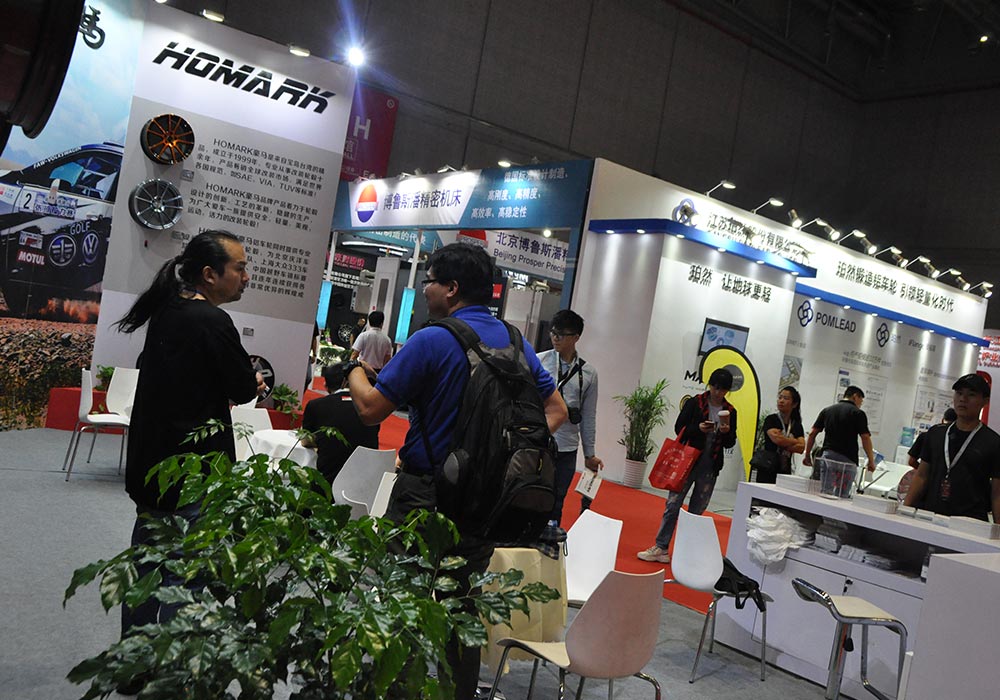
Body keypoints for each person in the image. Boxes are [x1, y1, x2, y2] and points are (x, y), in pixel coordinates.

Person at [345, 243, 567, 699]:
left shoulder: (432, 339)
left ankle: (396, 692)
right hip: (484, 503)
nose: (424, 289)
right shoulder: (515, 342)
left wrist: (353, 371)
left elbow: (369, 410)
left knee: (403, 602)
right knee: (461, 610)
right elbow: (557, 410)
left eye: (428, 281)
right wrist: (496, 456)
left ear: (451, 288)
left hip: (424, 496)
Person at [114, 230, 265, 691]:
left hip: (153, 469)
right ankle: (178, 677)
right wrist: (253, 382)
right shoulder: (212, 321)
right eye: (239, 268)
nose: (246, 276)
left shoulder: (168, 311)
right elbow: (242, 388)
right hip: (196, 473)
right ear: (210, 274)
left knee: (145, 568)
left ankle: (133, 668)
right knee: (190, 579)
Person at [638, 368, 737, 564]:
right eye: (715, 387)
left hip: (710, 466)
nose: (718, 392)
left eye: (722, 389)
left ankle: (686, 553)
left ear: (727, 390)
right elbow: (679, 428)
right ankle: (661, 547)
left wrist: (726, 432)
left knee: (697, 512)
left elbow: (730, 442)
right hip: (687, 462)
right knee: (672, 505)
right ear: (710, 385)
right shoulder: (695, 402)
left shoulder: (730, 411)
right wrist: (698, 429)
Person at [536, 309, 603, 524]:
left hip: (567, 447)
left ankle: (550, 537)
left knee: (557, 500)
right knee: (532, 495)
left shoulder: (589, 374)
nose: (555, 338)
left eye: (561, 334)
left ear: (576, 337)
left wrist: (589, 454)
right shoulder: (539, 362)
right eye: (553, 333)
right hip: (538, 441)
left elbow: (588, 416)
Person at [904, 374, 1000, 521]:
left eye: (971, 395)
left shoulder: (993, 442)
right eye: (959, 393)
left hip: (969, 522)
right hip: (930, 516)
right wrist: (905, 510)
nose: (963, 399)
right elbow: (921, 476)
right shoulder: (936, 433)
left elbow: (997, 493)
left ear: (985, 401)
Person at [300, 362, 380, 487]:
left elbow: (305, 441)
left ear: (326, 385)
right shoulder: (371, 409)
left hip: (326, 485)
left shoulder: (316, 405)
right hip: (366, 486)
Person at [803, 386, 876, 476]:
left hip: (828, 457)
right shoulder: (858, 413)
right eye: (861, 401)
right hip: (848, 459)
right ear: (855, 396)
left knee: (826, 485)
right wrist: (871, 460)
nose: (860, 404)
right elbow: (865, 438)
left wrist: (807, 455)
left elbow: (812, 434)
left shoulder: (827, 411)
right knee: (843, 485)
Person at [755, 386, 805, 483]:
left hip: (784, 470)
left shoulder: (796, 425)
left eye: (786, 398)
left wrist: (784, 441)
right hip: (767, 468)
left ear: (794, 404)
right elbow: (777, 440)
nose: (781, 401)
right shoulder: (771, 419)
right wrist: (794, 441)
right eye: (780, 397)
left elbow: (801, 447)